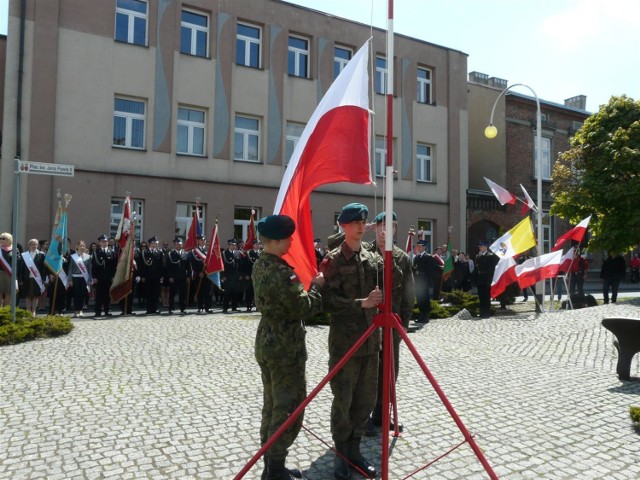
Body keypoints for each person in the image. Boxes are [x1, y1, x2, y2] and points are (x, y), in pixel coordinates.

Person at [252, 214, 324, 480]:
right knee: (288, 407)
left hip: (267, 341)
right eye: (289, 237)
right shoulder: (282, 273)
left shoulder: (260, 265)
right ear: (278, 240)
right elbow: (304, 308)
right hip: (284, 347)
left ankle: (273, 464)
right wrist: (317, 287)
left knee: (272, 405)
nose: (292, 241)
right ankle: (274, 468)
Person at [320, 203, 384, 480]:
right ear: (343, 226)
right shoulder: (333, 259)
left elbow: (393, 277)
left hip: (371, 341)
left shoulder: (372, 256)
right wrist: (362, 303)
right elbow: (328, 302)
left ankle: (355, 451)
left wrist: (386, 240)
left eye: (363, 222)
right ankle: (341, 456)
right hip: (346, 343)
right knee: (343, 400)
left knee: (365, 400)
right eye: (355, 222)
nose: (361, 226)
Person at [365, 211, 414, 436]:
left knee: (390, 372)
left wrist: (403, 323)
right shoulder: (364, 253)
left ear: (395, 229)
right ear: (374, 228)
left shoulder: (402, 257)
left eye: (390, 225)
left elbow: (407, 293)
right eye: (381, 225)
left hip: (392, 325)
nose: (385, 230)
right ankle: (362, 417)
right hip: (368, 324)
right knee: (367, 371)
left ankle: (382, 416)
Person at [19, 238, 46, 316]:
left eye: (35, 244)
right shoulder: (24, 255)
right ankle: (28, 311)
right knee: (27, 295)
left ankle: (34, 311)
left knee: (35, 296)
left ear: (37, 245)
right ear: (29, 245)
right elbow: (21, 268)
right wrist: (20, 279)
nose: (34, 246)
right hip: (26, 278)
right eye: (32, 244)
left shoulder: (41, 254)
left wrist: (43, 279)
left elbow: (43, 268)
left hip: (37, 279)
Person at [92, 234, 117, 317]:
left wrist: (113, 276)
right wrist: (94, 277)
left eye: (106, 241)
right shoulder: (96, 253)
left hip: (108, 277)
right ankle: (98, 311)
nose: (105, 243)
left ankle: (107, 310)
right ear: (99, 243)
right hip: (99, 278)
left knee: (107, 295)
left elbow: (114, 266)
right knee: (99, 295)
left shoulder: (112, 252)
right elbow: (94, 266)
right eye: (103, 241)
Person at [165, 237, 190, 314]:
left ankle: (182, 308)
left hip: (182, 277)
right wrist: (170, 276)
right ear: (174, 245)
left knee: (182, 293)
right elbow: (168, 267)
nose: (178, 246)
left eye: (180, 245)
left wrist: (188, 276)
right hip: (174, 277)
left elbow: (188, 266)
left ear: (182, 245)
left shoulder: (185, 254)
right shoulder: (171, 254)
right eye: (177, 245)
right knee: (172, 293)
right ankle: (171, 308)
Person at [474, 241, 499, 318]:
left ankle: (486, 312)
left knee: (486, 297)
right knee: (481, 296)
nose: (480, 248)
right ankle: (482, 312)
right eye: (480, 247)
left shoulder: (490, 256)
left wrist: (489, 281)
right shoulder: (478, 256)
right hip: (480, 279)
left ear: (485, 247)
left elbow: (491, 270)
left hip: (486, 278)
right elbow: (476, 269)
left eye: (481, 247)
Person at [140, 236, 164, 314]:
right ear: (151, 243)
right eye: (156, 243)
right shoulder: (145, 252)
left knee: (156, 293)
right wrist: (143, 276)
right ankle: (149, 309)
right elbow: (142, 266)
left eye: (157, 243)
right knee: (148, 293)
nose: (157, 244)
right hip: (148, 276)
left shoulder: (159, 252)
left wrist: (161, 276)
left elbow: (161, 265)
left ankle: (155, 308)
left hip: (156, 277)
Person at [68, 240, 92, 317]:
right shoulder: (72, 256)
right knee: (76, 294)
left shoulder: (88, 257)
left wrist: (89, 279)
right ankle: (76, 310)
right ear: (77, 247)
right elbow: (70, 269)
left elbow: (90, 269)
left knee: (82, 294)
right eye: (80, 246)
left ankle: (80, 310)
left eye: (83, 246)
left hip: (84, 278)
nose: (82, 247)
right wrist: (70, 279)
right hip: (75, 278)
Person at [190, 235, 212, 313]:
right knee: (200, 291)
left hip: (207, 274)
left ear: (205, 241)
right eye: (200, 240)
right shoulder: (194, 251)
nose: (202, 242)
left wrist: (209, 272)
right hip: (199, 275)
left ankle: (207, 307)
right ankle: (200, 307)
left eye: (203, 240)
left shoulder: (209, 250)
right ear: (198, 241)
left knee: (208, 291)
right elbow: (193, 263)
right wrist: (198, 272)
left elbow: (211, 263)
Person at [412, 240, 432, 323]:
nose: (419, 248)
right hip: (418, 281)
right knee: (419, 299)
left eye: (420, 246)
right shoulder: (416, 257)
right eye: (418, 246)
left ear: (424, 247)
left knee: (425, 298)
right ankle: (421, 315)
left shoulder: (428, 257)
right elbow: (414, 269)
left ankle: (426, 316)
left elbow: (430, 271)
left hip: (424, 281)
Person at [222, 239, 241, 313]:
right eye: (232, 245)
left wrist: (239, 275)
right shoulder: (224, 253)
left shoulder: (237, 253)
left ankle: (234, 307)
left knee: (235, 293)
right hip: (227, 276)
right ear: (229, 245)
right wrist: (223, 275)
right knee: (227, 293)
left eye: (235, 245)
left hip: (235, 276)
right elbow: (222, 265)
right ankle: (225, 308)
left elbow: (239, 265)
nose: (234, 246)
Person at [0, 232, 16, 306]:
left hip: (9, 274)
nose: (1, 240)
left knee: (8, 293)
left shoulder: (14, 249)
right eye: (0, 238)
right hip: (0, 273)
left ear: (9, 240)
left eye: (3, 238)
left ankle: (5, 311)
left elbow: (17, 262)